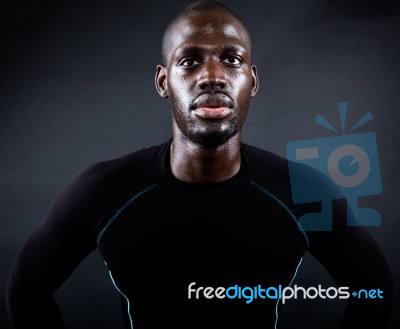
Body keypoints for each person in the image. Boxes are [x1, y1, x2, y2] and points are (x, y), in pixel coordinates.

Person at [6, 1, 394, 328]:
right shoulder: (102, 189)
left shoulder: (302, 191)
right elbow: (26, 285)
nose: (212, 76)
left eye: (231, 59)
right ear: (163, 83)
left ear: (252, 80)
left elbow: (374, 285)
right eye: (190, 61)